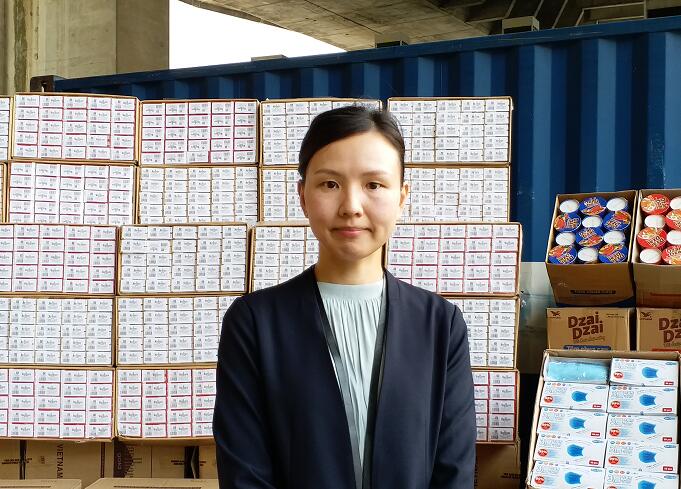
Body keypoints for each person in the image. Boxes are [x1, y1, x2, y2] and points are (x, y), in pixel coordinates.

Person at [213, 105, 476, 489]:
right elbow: (244, 475)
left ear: (402, 197)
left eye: (374, 185)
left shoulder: (440, 324)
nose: (351, 206)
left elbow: (454, 472)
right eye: (330, 184)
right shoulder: (255, 322)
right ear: (303, 196)